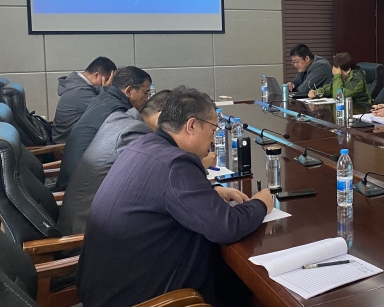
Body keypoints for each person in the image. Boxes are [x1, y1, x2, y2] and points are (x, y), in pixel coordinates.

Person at [76, 87, 274, 307]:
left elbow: (160, 195)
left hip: (104, 288)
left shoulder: (143, 145)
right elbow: (227, 227)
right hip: (139, 299)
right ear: (192, 125)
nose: (212, 141)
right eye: (213, 130)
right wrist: (261, 203)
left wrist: (209, 192)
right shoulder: (176, 163)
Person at [58, 90, 173, 236]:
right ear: (161, 117)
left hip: (84, 219)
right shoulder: (135, 133)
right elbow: (161, 180)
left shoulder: (120, 119)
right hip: (85, 232)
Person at [55, 66, 152, 191]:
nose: (147, 99)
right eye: (145, 93)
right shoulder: (118, 112)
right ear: (128, 91)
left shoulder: (105, 98)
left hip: (75, 177)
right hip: (81, 186)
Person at [52, 57, 117, 143]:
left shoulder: (76, 85)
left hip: (71, 139)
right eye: (108, 79)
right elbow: (108, 112)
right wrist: (107, 89)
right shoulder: (80, 91)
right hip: (67, 145)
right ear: (97, 75)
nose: (110, 84)